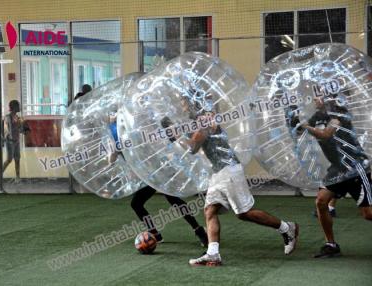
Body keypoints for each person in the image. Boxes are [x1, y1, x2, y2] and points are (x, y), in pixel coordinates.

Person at [181, 98, 298, 266]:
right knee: (209, 211)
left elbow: (193, 146)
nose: (183, 107)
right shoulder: (199, 121)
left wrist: (175, 135)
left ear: (193, 103)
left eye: (184, 103)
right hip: (218, 173)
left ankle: (287, 228)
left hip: (229, 170)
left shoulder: (206, 119)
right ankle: (213, 254)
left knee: (244, 213)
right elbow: (194, 144)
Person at [108, 113, 208, 247]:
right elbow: (112, 159)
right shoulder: (117, 134)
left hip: (160, 167)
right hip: (149, 173)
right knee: (139, 203)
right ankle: (156, 233)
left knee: (172, 198)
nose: (113, 117)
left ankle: (198, 231)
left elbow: (154, 143)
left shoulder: (136, 127)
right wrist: (114, 150)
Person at [300, 95, 372, 258]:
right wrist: (293, 117)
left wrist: (304, 125)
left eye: (320, 97)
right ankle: (331, 244)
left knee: (368, 214)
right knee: (321, 201)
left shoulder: (340, 114)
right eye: (315, 96)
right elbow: (299, 130)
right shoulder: (319, 116)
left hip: (355, 166)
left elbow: (326, 134)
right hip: (338, 169)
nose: (316, 99)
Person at [2, 100, 30, 183]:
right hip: (10, 141)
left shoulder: (17, 117)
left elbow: (20, 130)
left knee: (17, 159)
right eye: (18, 105)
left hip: (16, 141)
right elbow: (9, 130)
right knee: (9, 160)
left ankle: (17, 177)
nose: (19, 107)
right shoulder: (8, 117)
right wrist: (19, 123)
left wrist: (24, 130)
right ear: (14, 107)